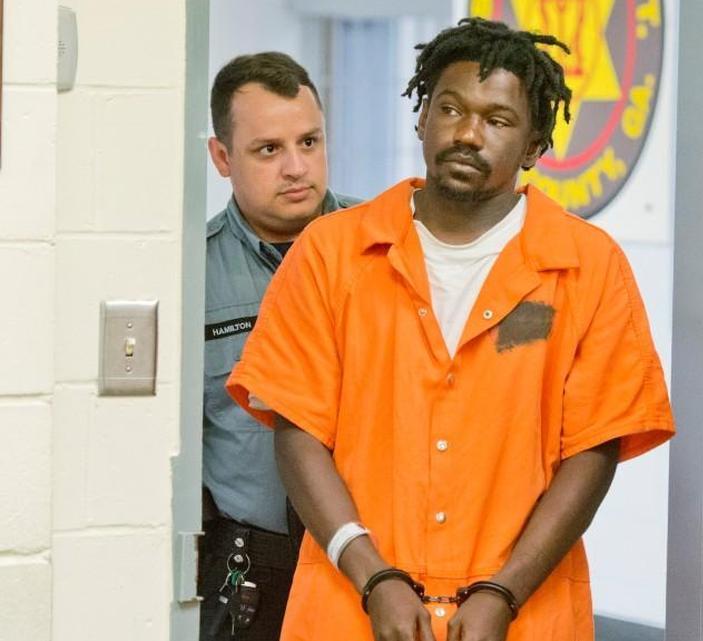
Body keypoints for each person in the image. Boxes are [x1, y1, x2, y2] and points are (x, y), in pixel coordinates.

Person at [225, 18, 674, 641]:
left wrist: (505, 591)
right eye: (452, 109)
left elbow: (594, 449)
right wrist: (372, 574)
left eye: (497, 120)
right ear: (421, 118)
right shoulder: (332, 252)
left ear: (535, 145)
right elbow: (297, 432)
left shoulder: (587, 266)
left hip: (524, 612)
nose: (468, 133)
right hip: (350, 609)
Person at [201, 51, 360, 641]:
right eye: (269, 150)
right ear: (222, 157)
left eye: (310, 142)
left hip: (375, 561)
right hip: (252, 567)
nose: (297, 167)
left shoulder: (387, 249)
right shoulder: (194, 273)